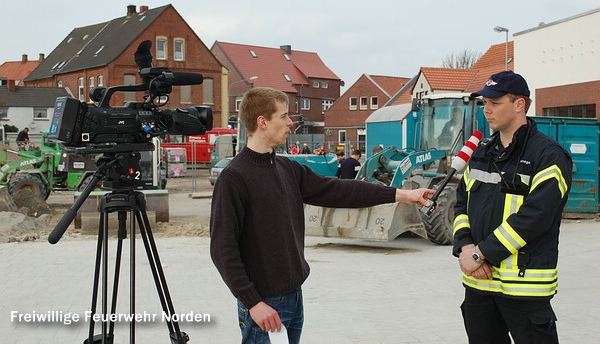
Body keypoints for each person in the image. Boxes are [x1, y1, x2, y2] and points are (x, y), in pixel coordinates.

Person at [210, 87, 435, 344]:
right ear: (262, 122)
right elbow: (222, 249)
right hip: (265, 305)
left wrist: (403, 195)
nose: (290, 122)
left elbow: (339, 190)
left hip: (293, 297)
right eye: (283, 116)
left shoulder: (288, 169)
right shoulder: (234, 178)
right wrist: (253, 303)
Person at [453, 71, 572, 344]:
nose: (486, 109)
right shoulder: (481, 152)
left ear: (519, 105)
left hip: (525, 288)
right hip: (479, 285)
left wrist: (482, 253)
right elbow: (461, 205)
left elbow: (536, 217)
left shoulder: (548, 155)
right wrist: (465, 247)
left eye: (494, 103)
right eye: (484, 103)